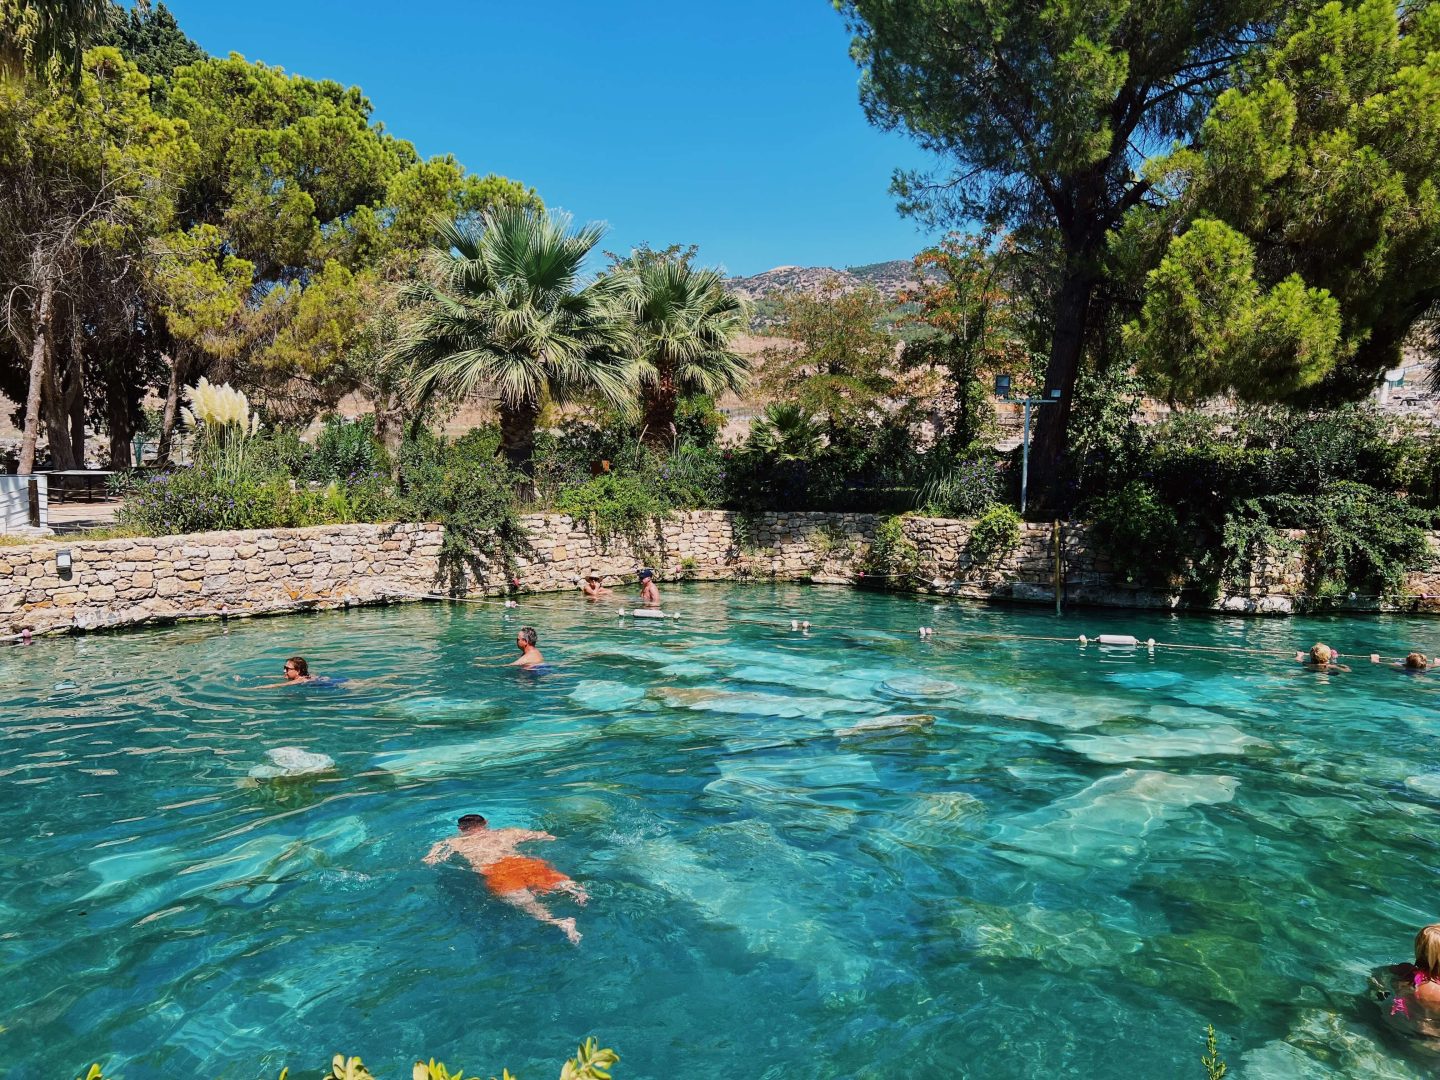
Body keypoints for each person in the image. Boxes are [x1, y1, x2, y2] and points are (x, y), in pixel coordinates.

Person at [423, 814, 587, 944]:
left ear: (460, 828)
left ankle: (558, 922)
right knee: (560, 881)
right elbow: (545, 836)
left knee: (527, 903)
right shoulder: (507, 832)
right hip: (521, 863)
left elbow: (430, 860)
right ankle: (580, 894)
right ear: (486, 822)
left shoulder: (452, 842)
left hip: (496, 872)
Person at [1371, 924, 1440, 1040]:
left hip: (1394, 1021)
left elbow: (1376, 976)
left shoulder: (1403, 970)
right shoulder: (1436, 992)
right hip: (1427, 1038)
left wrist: (1382, 996)